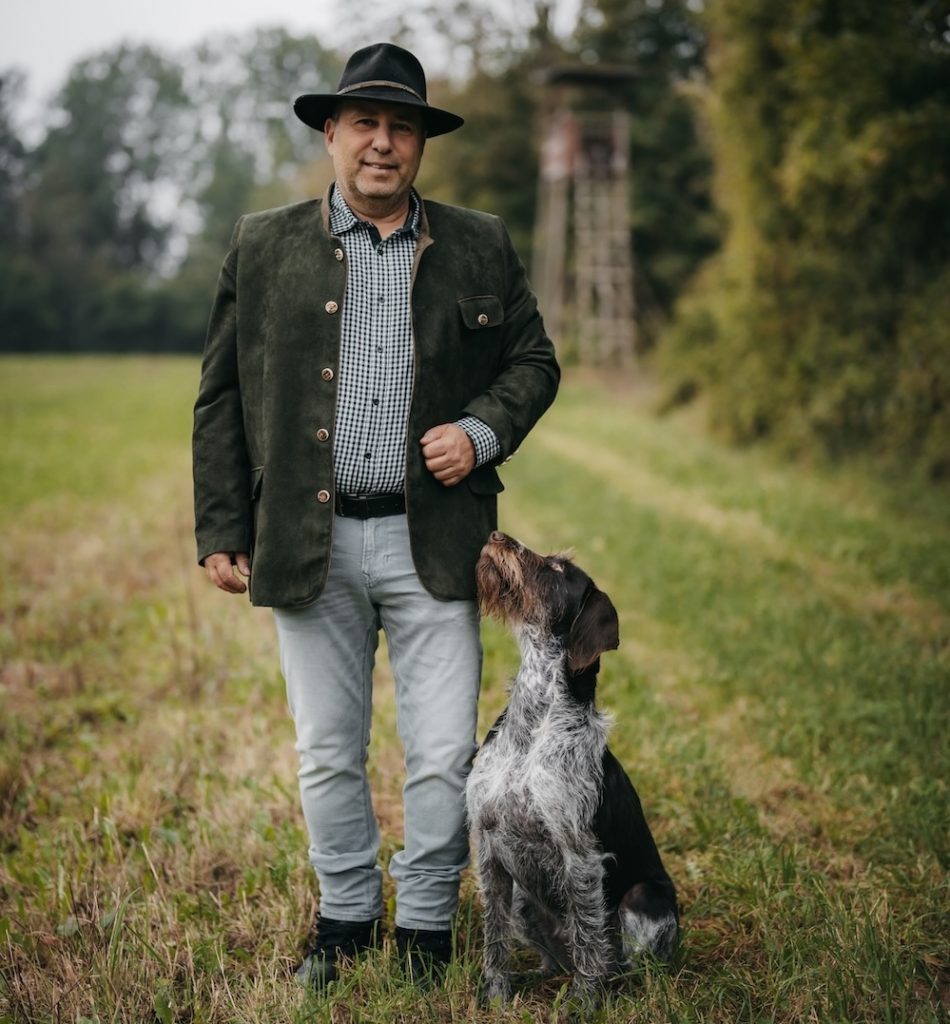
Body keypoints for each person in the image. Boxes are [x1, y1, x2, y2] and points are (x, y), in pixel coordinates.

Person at [192, 41, 559, 988]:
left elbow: (534, 362)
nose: (383, 143)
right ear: (332, 132)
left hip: (435, 539)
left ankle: (427, 928)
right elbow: (221, 395)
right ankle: (345, 922)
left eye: (403, 127)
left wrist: (479, 433)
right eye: (366, 123)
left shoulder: (479, 242)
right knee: (326, 752)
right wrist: (222, 527)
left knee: (440, 754)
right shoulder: (263, 244)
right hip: (305, 540)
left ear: (422, 143)